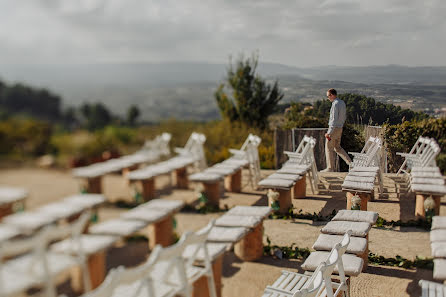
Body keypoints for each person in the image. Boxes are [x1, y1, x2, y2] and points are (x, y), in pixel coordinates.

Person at [322, 88, 352, 172]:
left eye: (328, 96)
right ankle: (350, 163)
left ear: (332, 95)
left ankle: (330, 168)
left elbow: (333, 119)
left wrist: (329, 132)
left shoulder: (335, 104)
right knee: (337, 147)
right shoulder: (342, 103)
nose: (328, 98)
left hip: (334, 129)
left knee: (328, 147)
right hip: (340, 128)